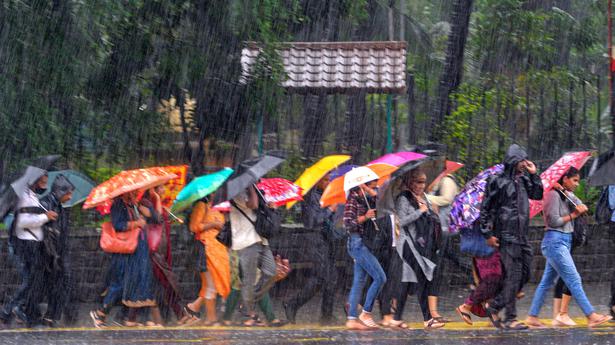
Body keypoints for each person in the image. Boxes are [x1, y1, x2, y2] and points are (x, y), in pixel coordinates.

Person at [525, 167, 612, 328]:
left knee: (546, 282)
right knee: (574, 279)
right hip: (555, 242)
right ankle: (591, 315)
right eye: (574, 180)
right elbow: (553, 222)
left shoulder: (564, 194)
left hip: (563, 241)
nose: (577, 184)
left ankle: (532, 316)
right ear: (564, 178)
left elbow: (581, 205)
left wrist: (566, 193)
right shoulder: (551, 195)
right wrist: (574, 215)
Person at [479, 144, 543, 330]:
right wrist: (487, 234)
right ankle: (510, 318)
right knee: (514, 276)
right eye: (521, 160)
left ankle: (495, 306)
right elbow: (486, 208)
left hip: (522, 235)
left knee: (525, 274)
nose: (524, 164)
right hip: (506, 236)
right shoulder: (497, 181)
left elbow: (538, 195)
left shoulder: (524, 180)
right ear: (513, 161)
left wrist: (533, 174)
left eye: (525, 160)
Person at [90, 191, 160, 328]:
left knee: (136, 283)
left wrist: (144, 207)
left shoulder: (135, 205)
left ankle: (125, 317)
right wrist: (136, 223)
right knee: (119, 284)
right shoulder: (118, 205)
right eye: (132, 192)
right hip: (125, 252)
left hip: (138, 251)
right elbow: (118, 225)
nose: (135, 194)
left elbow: (156, 219)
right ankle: (100, 313)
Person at [0, 171, 56, 327]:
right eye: (43, 178)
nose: (46, 180)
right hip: (25, 246)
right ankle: (10, 310)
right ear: (35, 179)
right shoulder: (24, 197)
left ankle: (18, 310)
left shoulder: (31, 195)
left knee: (31, 281)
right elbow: (22, 222)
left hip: (32, 245)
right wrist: (46, 217)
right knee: (30, 281)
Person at [284, 174, 339, 325]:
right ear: (318, 180)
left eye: (329, 180)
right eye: (326, 180)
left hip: (326, 240)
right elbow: (313, 221)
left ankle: (326, 315)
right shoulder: (310, 197)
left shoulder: (323, 195)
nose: (328, 183)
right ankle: (293, 304)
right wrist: (330, 210)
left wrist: (331, 210)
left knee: (332, 277)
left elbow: (326, 220)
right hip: (314, 240)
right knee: (321, 277)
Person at [394, 168, 445, 329]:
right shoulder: (404, 198)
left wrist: (431, 211)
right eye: (418, 182)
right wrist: (420, 211)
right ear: (411, 182)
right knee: (422, 278)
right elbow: (401, 221)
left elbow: (429, 218)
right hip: (408, 244)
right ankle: (428, 319)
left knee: (408, 282)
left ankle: (396, 318)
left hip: (420, 244)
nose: (422, 185)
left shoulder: (423, 197)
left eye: (423, 182)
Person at [230, 186, 277, 326]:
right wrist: (251, 188)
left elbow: (260, 208)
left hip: (261, 238)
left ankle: (247, 302)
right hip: (246, 240)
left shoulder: (257, 191)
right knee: (249, 279)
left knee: (271, 272)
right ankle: (248, 315)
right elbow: (253, 204)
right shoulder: (236, 191)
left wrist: (270, 206)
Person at [182, 195, 230, 325]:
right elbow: (194, 227)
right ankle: (211, 318)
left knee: (211, 284)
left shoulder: (220, 207)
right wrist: (213, 224)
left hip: (218, 250)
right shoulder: (202, 205)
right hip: (206, 248)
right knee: (211, 284)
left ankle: (194, 307)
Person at [344, 179, 386, 330]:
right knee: (380, 277)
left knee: (359, 281)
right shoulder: (352, 199)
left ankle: (352, 318)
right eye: (372, 186)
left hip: (363, 243)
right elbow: (348, 224)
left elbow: (381, 201)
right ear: (363, 184)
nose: (374, 189)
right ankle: (366, 312)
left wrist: (368, 190)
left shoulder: (364, 198)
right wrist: (365, 217)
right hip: (357, 243)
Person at [39, 175, 76, 327]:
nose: (70, 196)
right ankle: (49, 315)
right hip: (50, 252)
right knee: (55, 284)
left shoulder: (58, 205)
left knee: (62, 283)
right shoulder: (46, 203)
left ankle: (53, 314)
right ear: (60, 192)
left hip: (58, 251)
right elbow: (43, 227)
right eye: (68, 193)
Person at [426, 164, 461, 322]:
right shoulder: (435, 182)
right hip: (434, 230)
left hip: (441, 230)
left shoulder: (446, 181)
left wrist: (428, 197)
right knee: (432, 269)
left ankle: (432, 312)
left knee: (436, 269)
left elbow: (447, 199)